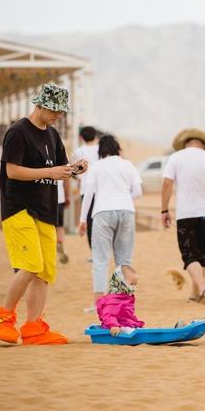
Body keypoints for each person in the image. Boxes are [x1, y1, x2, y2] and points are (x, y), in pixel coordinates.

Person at [0, 83, 88, 345]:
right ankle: (3, 318)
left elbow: (60, 168)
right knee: (30, 264)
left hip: (46, 209)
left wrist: (75, 169)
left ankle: (34, 328)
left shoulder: (52, 135)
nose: (58, 115)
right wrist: (50, 172)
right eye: (54, 109)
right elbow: (12, 171)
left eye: (61, 111)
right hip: (19, 208)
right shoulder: (18, 132)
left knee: (44, 271)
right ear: (40, 105)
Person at [161, 128, 205, 304]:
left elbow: (167, 184)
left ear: (185, 143)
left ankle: (204, 289)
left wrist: (164, 210)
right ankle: (195, 295)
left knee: (190, 256)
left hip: (186, 214)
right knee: (203, 256)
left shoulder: (176, 158)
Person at [79, 134, 141, 312]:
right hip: (127, 211)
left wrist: (83, 219)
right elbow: (138, 191)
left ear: (101, 151)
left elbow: (88, 195)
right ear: (117, 148)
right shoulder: (128, 165)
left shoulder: (97, 167)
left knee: (100, 260)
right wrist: (123, 200)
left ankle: (99, 304)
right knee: (124, 260)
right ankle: (122, 302)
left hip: (103, 212)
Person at [96, 265, 144, 336]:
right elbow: (108, 314)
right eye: (131, 284)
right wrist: (113, 325)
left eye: (135, 284)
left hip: (126, 325)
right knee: (133, 332)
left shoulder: (126, 297)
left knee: (139, 330)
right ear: (120, 282)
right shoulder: (113, 300)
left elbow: (128, 315)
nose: (133, 287)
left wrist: (135, 323)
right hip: (117, 328)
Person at [73, 126, 99, 250]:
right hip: (101, 190)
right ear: (95, 136)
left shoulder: (79, 151)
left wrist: (77, 179)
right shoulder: (101, 149)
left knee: (89, 221)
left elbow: (73, 170)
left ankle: (93, 252)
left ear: (81, 137)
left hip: (85, 189)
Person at [55, 179, 70, 264]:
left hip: (44, 199)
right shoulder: (64, 164)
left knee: (47, 225)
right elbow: (66, 180)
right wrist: (67, 196)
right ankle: (59, 242)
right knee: (60, 226)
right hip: (59, 198)